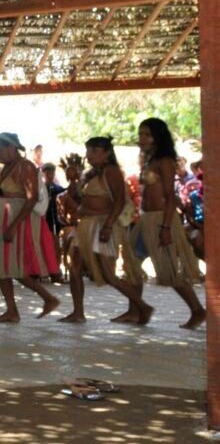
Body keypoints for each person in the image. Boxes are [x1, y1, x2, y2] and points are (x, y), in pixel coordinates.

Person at [58, 137, 150, 325]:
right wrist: (75, 178)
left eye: (94, 151)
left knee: (108, 274)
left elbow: (118, 201)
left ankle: (142, 306)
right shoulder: (91, 173)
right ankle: (77, 311)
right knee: (74, 265)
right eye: (88, 151)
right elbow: (77, 198)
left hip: (103, 225)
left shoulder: (112, 171)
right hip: (85, 225)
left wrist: (108, 226)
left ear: (107, 153)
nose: (89, 155)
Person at [134, 118, 205, 329]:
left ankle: (197, 310)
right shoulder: (149, 160)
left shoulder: (164, 161)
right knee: (131, 261)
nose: (142, 139)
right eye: (140, 134)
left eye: (146, 134)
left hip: (160, 220)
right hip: (146, 219)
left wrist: (165, 227)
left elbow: (169, 196)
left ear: (157, 137)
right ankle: (137, 309)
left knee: (169, 271)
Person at [0, 133, 60, 323]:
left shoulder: (25, 166)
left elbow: (32, 198)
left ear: (11, 147)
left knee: (14, 267)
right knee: (2, 267)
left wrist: (13, 226)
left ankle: (48, 298)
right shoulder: (5, 168)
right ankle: (11, 310)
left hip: (15, 219)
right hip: (2, 218)